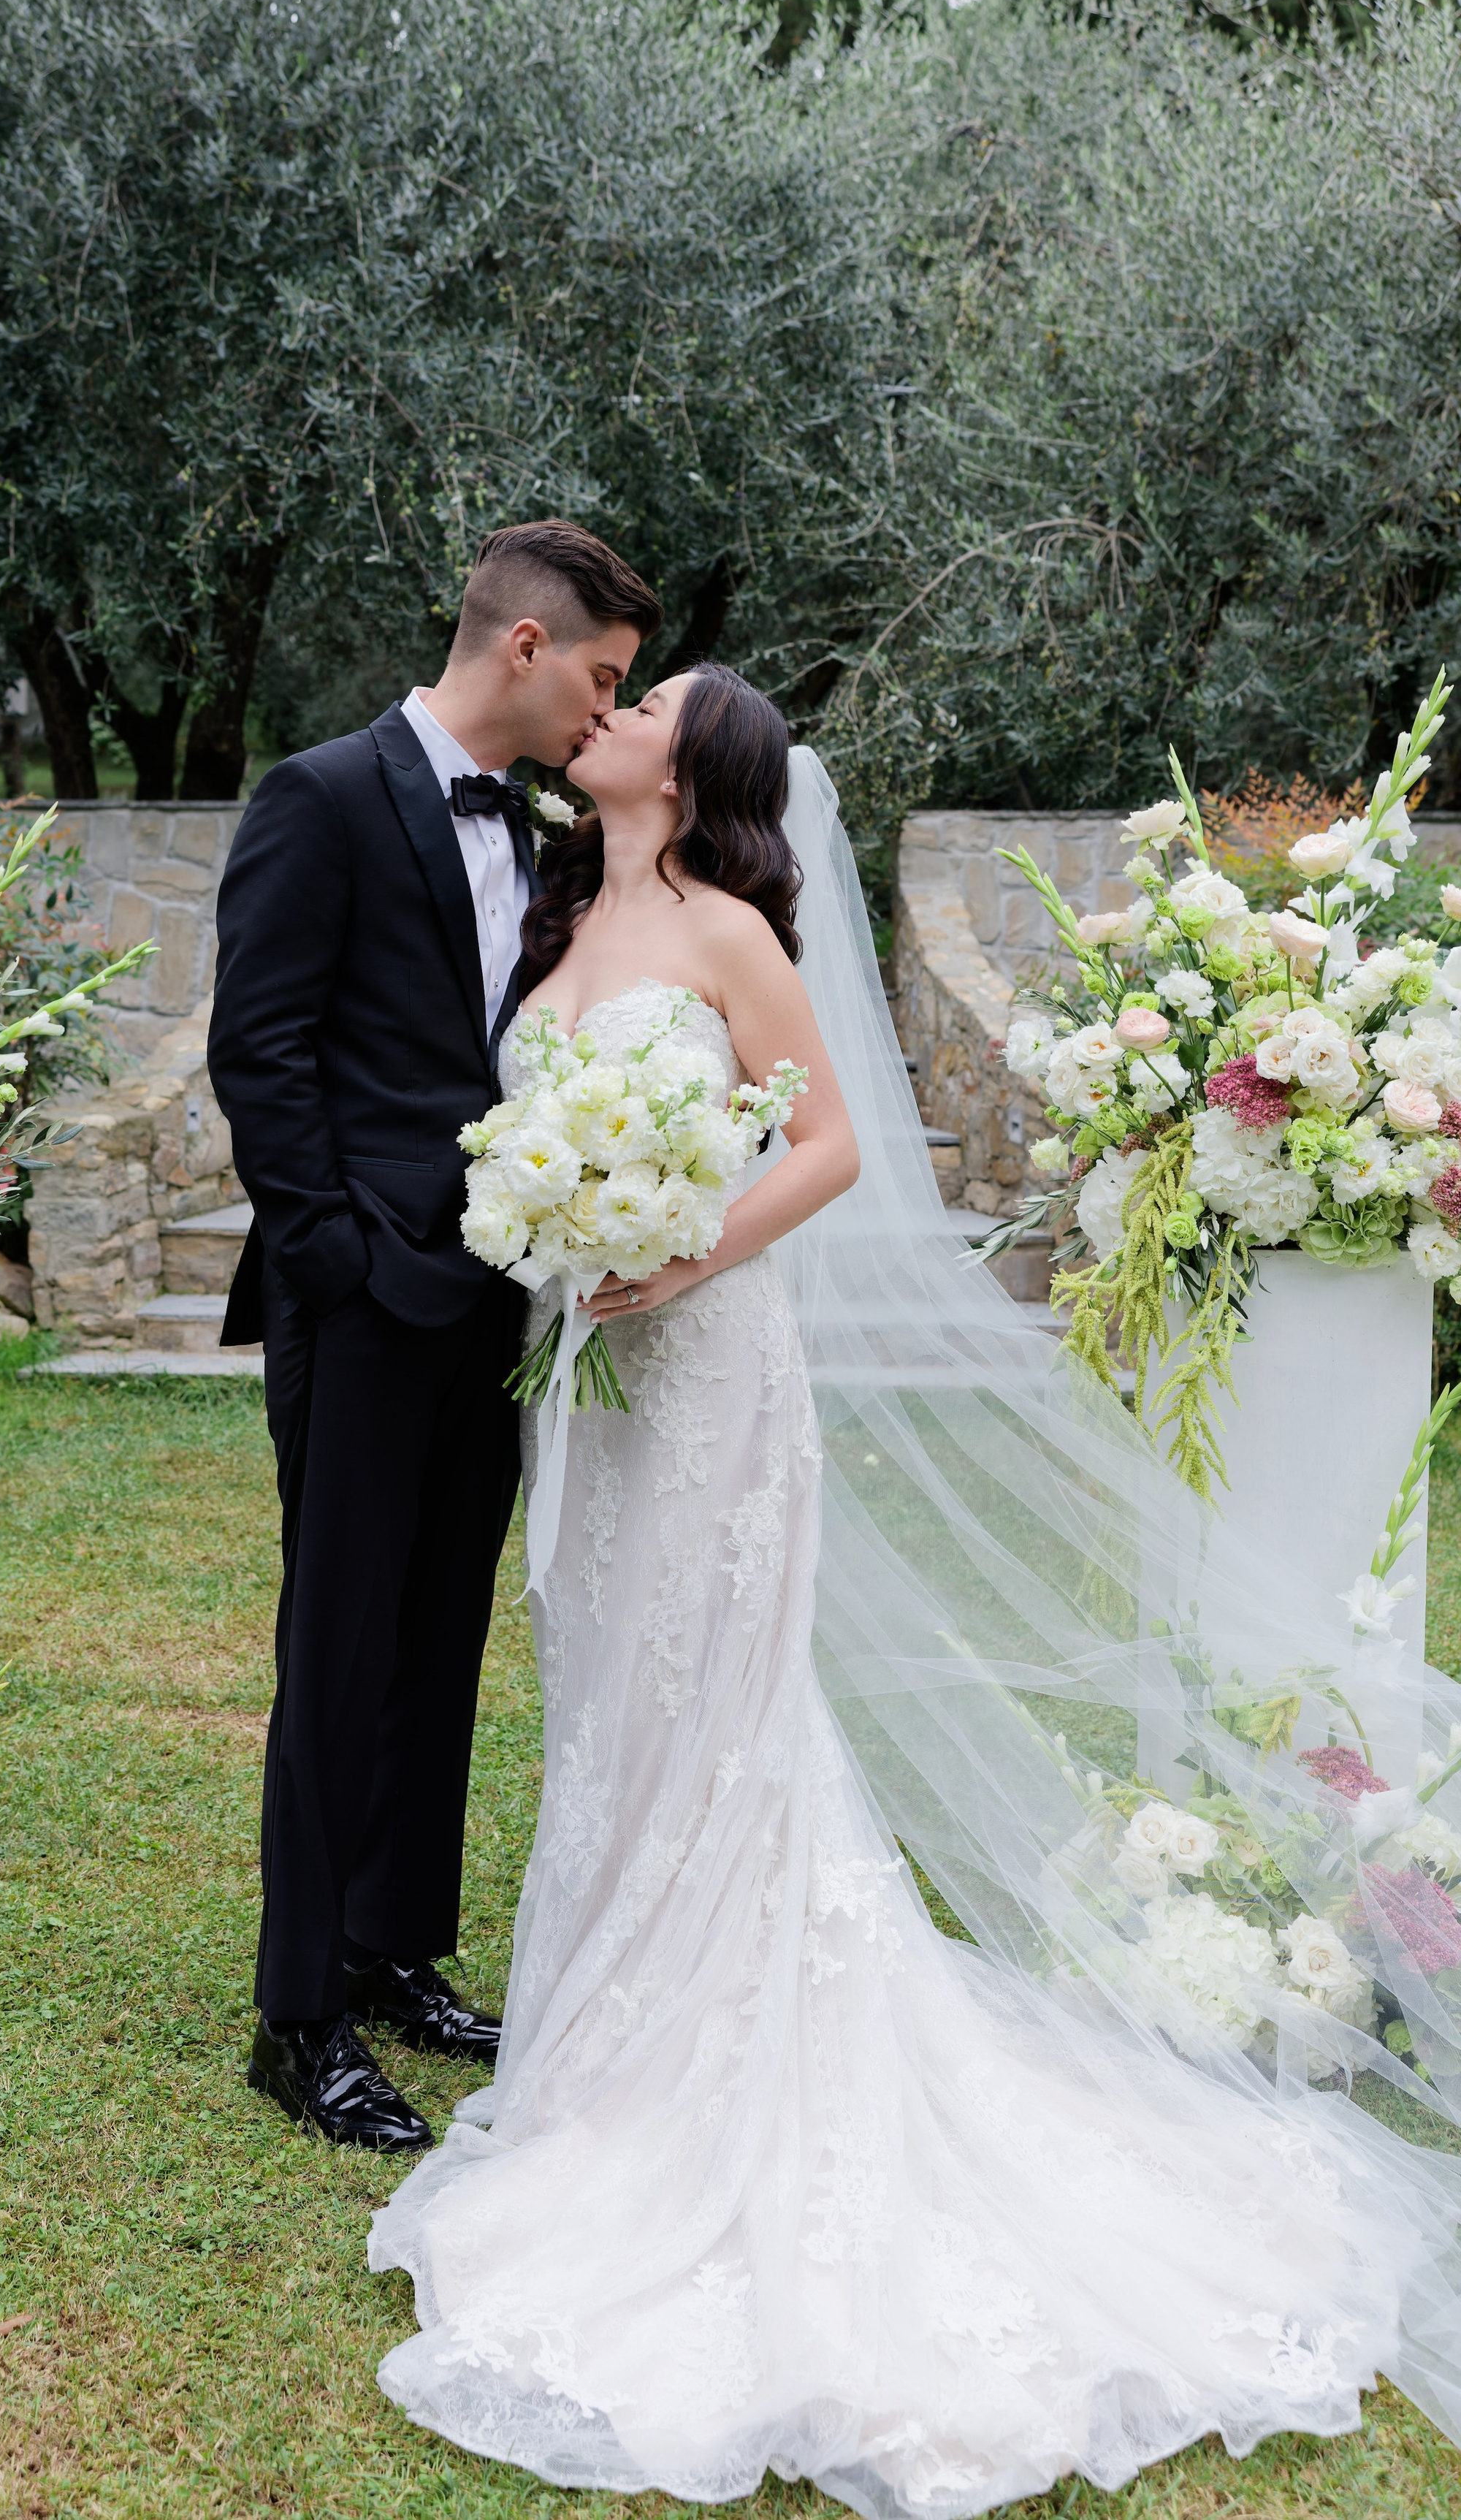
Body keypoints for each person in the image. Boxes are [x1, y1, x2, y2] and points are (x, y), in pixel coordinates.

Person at [368, 665, 1461, 2513]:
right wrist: (566, 1236)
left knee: (712, 1702)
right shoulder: (566, 907)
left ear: (694, 769)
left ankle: (692, 2053)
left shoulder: (727, 930)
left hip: (707, 1372)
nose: (614, 712)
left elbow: (829, 1148)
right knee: (609, 1696)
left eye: (653, 705)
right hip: (592, 1390)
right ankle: (604, 2036)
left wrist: (668, 1243)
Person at [207, 519, 662, 2152]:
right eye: (599, 680)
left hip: (496, 1304)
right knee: (335, 1647)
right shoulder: (319, 798)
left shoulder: (544, 832)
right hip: (365, 1298)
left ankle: (392, 1947)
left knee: (439, 1633)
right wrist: (339, 1259)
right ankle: (298, 2018)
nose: (604, 718)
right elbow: (258, 1053)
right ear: (525, 648)